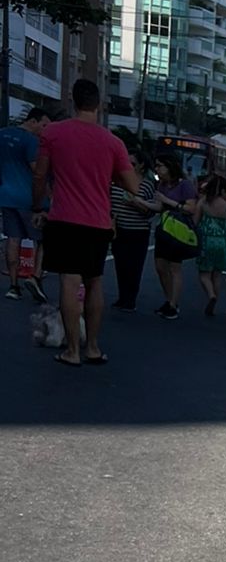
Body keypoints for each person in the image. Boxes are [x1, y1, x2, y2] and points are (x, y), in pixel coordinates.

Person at [31, 78, 136, 367]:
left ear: (72, 100)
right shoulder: (113, 142)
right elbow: (133, 185)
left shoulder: (53, 133)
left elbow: (40, 175)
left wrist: (38, 205)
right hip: (98, 222)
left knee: (69, 280)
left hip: (64, 218)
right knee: (95, 282)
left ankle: (72, 351)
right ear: (99, 104)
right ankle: (92, 347)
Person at [2, 106, 49, 301]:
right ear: (33, 121)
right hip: (30, 198)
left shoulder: (2, 134)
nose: (45, 130)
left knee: (13, 239)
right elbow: (37, 171)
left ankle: (13, 286)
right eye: (44, 125)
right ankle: (35, 277)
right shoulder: (32, 141)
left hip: (6, 195)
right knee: (43, 238)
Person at [108, 142, 158, 311]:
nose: (128, 166)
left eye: (133, 164)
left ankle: (130, 299)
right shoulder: (116, 181)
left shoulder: (147, 185)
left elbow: (150, 211)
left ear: (141, 166)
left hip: (138, 230)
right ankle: (122, 297)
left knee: (134, 266)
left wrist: (134, 203)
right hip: (118, 229)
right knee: (120, 264)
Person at [149, 151, 198, 318]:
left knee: (175, 267)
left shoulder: (185, 185)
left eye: (159, 166)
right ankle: (168, 299)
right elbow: (158, 206)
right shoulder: (161, 185)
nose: (157, 170)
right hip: (164, 229)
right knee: (160, 266)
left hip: (178, 229)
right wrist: (139, 202)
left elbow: (191, 208)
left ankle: (173, 303)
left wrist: (167, 201)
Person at [193, 173, 226, 317]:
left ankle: (211, 294)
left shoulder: (204, 202)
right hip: (222, 241)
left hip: (206, 239)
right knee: (217, 274)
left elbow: (195, 221)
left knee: (204, 273)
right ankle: (215, 296)